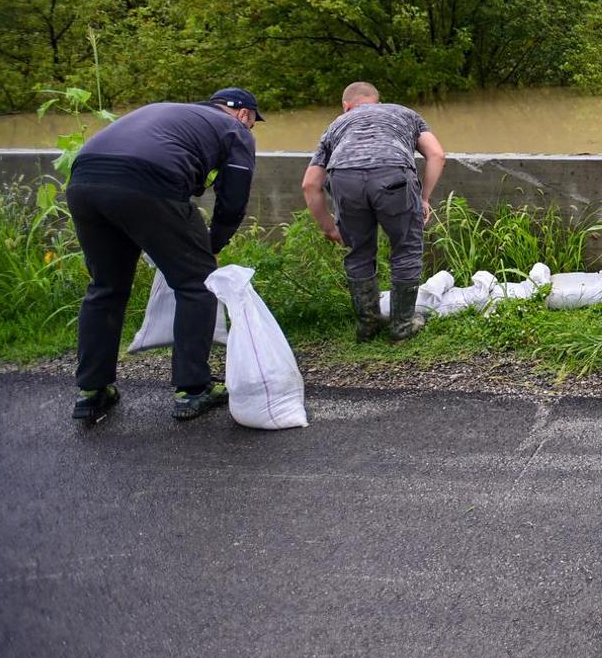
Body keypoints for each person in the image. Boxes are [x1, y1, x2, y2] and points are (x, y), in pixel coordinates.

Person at [67, 87, 262, 424]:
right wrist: (212, 245)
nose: (250, 129)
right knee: (198, 284)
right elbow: (233, 199)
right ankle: (193, 389)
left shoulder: (171, 111)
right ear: (244, 114)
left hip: (83, 181)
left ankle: (92, 391)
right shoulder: (235, 130)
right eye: (252, 123)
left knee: (106, 288)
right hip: (147, 182)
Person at [301, 82, 445, 342]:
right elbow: (436, 154)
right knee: (406, 248)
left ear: (346, 106)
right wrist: (423, 198)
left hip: (344, 179)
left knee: (359, 252)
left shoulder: (336, 125)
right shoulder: (405, 114)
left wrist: (328, 227)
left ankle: (368, 326)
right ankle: (402, 327)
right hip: (394, 175)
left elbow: (310, 184)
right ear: (377, 102)